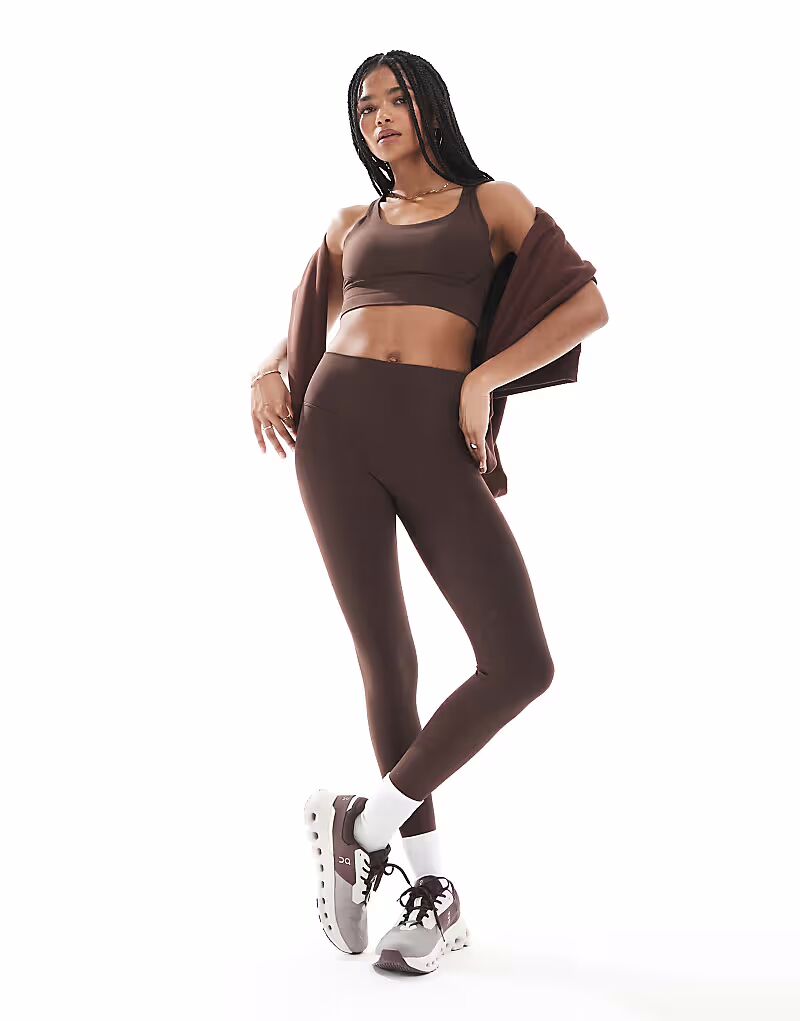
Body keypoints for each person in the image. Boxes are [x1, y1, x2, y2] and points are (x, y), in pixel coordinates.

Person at [250, 50, 609, 976]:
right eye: (364, 107)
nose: (379, 116)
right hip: (336, 430)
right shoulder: (349, 224)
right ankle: (432, 891)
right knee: (389, 660)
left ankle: (361, 824)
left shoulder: (494, 205)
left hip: (433, 431)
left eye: (395, 98)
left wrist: (485, 378)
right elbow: (311, 324)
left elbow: (586, 304)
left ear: (430, 105)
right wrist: (265, 371)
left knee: (520, 663)